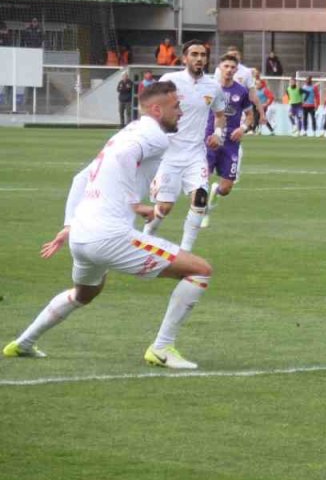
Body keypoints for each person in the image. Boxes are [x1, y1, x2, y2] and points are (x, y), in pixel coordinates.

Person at [3, 81, 215, 370]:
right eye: (176, 106)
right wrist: (135, 203)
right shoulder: (154, 136)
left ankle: (23, 343)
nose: (181, 111)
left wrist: (69, 225)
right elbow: (124, 157)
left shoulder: (127, 132)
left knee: (84, 294)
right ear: (157, 109)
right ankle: (162, 348)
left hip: (82, 234)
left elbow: (80, 179)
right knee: (200, 271)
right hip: (109, 236)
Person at [145, 41, 226, 254]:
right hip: (168, 153)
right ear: (184, 58)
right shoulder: (170, 80)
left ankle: (185, 252)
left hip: (195, 154)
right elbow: (152, 107)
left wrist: (218, 134)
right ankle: (146, 237)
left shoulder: (213, 87)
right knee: (164, 208)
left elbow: (220, 115)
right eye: (194, 54)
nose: (199, 58)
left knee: (200, 199)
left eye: (202, 55)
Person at [204, 53, 255, 227]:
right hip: (210, 140)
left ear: (236, 70)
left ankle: (214, 194)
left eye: (232, 67)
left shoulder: (241, 91)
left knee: (225, 189)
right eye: (226, 66)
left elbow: (250, 115)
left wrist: (243, 128)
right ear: (219, 67)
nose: (229, 70)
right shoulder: (209, 87)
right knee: (202, 179)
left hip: (231, 143)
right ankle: (201, 212)